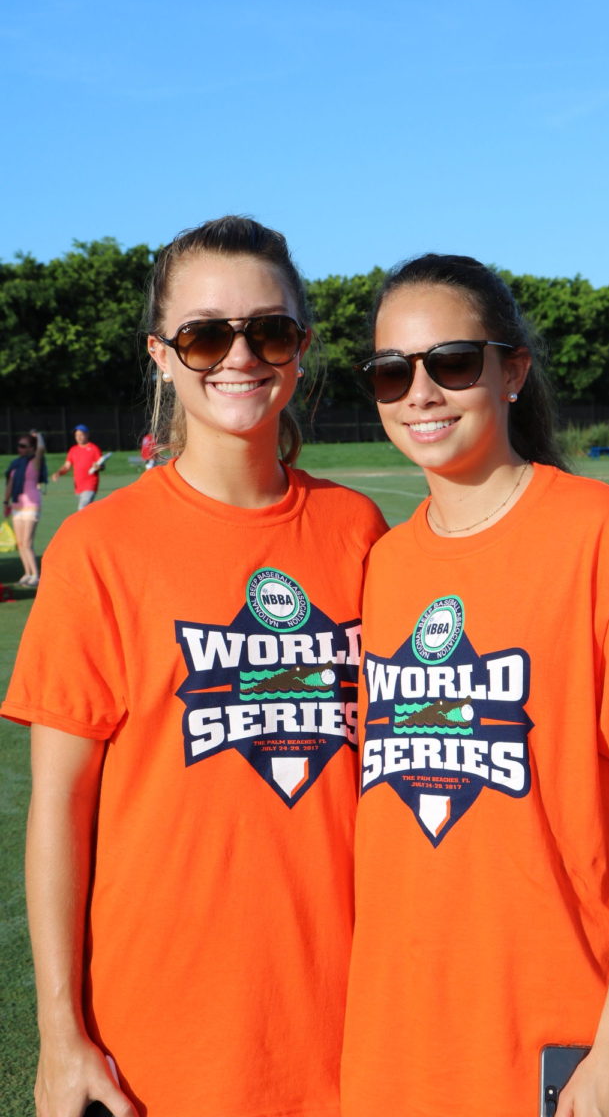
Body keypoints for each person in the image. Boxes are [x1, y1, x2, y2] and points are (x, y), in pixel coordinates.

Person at [340, 255, 609, 1117]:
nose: (420, 391)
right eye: (391, 372)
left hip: (570, 1044)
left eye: (451, 362)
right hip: (399, 1047)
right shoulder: (380, 566)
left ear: (512, 371)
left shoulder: (598, 531)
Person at [2, 216, 387, 1117]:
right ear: (161, 355)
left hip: (356, 1033)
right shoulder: (101, 548)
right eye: (207, 333)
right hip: (158, 1045)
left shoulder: (363, 533)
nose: (239, 356)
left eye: (271, 330)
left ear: (300, 347)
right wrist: (62, 1038)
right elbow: (59, 807)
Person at [3, 429, 47, 587]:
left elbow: (41, 449)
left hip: (31, 506)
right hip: (17, 506)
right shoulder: (16, 464)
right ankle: (27, 573)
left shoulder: (34, 461)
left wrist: (38, 437)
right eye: (19, 445)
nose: (19, 448)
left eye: (23, 446)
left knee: (27, 543)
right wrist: (5, 502)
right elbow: (10, 484)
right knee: (20, 543)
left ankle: (36, 575)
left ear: (31, 448)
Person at [52, 424, 104, 508]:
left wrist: (99, 467)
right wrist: (58, 473)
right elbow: (67, 466)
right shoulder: (73, 450)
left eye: (81, 435)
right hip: (78, 487)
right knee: (86, 512)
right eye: (76, 435)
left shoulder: (94, 449)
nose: (78, 437)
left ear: (87, 435)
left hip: (90, 485)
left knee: (82, 508)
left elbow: (102, 465)